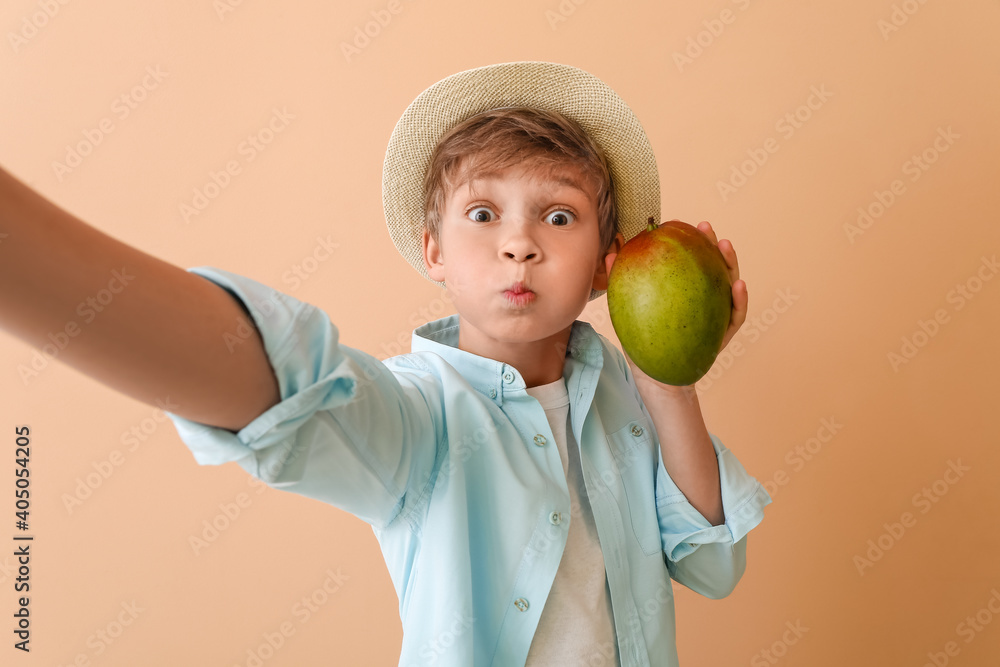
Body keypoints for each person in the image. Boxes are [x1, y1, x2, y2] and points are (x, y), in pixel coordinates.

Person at [0, 60, 772, 666]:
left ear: (606, 266)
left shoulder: (623, 406)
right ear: (432, 250)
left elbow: (713, 567)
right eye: (482, 212)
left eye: (558, 214)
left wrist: (670, 382)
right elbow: (299, 395)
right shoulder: (420, 415)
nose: (519, 241)